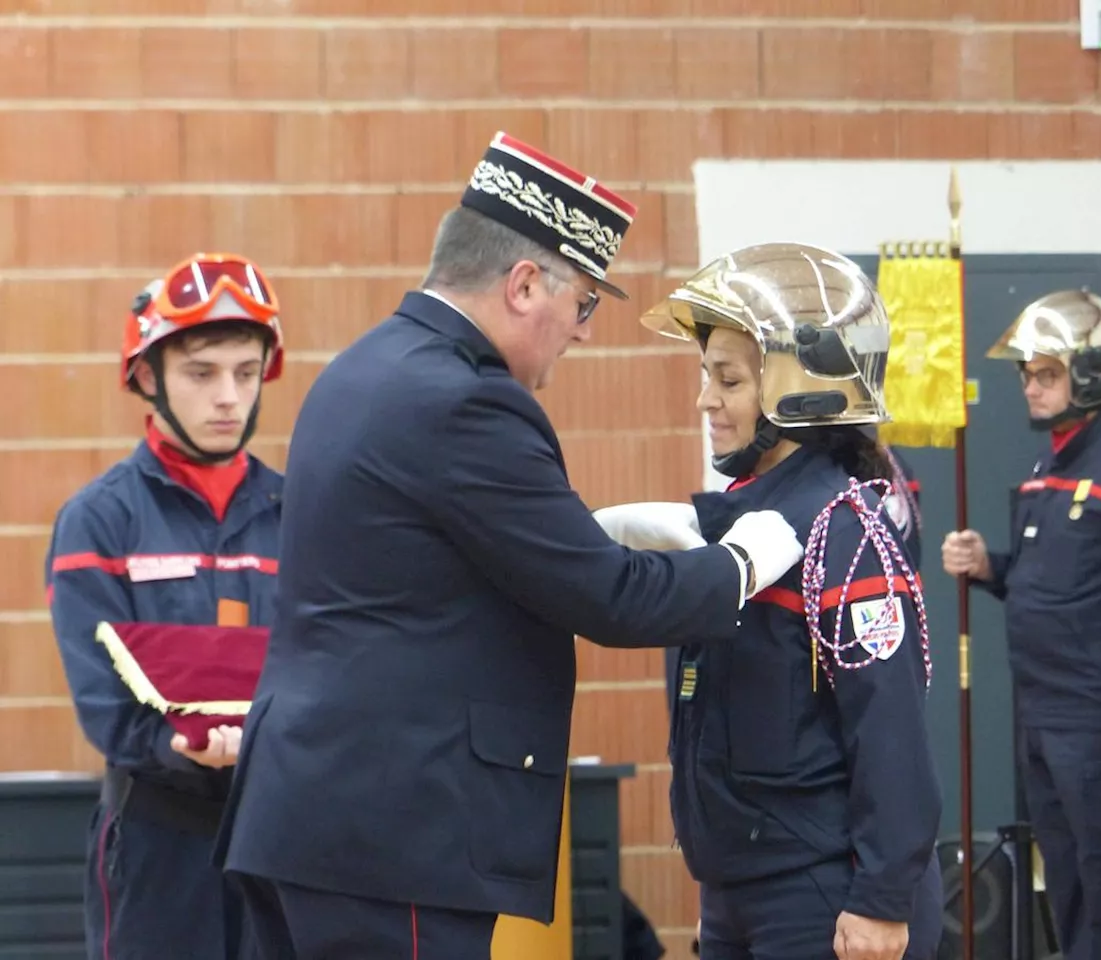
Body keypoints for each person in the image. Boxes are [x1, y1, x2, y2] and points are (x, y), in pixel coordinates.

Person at [213, 131, 804, 959]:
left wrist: (589, 538)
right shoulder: (467, 402)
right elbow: (611, 600)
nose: (584, 332)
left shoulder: (365, 368)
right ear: (525, 283)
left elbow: (434, 560)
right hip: (398, 837)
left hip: (316, 817)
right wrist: (740, 562)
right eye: (585, 303)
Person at [620, 242, 943, 960]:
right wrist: (725, 895)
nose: (706, 399)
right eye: (708, 376)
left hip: (825, 896)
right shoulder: (738, 521)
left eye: (727, 380)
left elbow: (887, 727)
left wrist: (883, 901)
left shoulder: (842, 528)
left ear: (800, 391)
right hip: (748, 892)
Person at [44, 253, 286, 960]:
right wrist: (183, 752)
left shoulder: (299, 514)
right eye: (202, 373)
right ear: (148, 377)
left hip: (283, 837)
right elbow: (107, 706)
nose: (228, 399)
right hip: (157, 845)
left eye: (246, 373)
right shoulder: (99, 522)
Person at [940, 289, 1101, 960]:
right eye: (1027, 376)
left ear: (1091, 373)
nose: (1032, 390)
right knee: (1064, 888)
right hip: (1040, 717)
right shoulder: (1047, 468)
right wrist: (989, 566)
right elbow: (1051, 587)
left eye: (1047, 375)